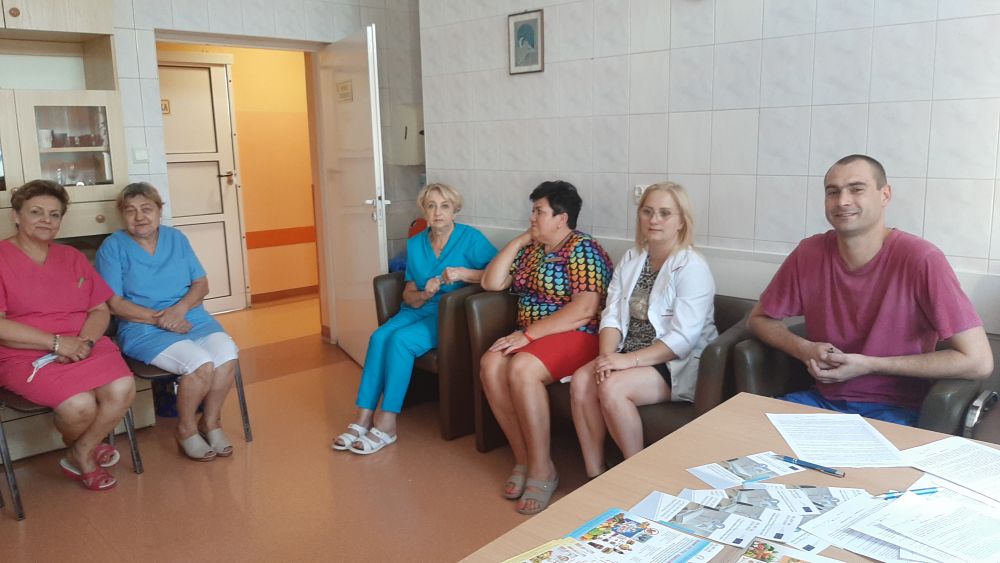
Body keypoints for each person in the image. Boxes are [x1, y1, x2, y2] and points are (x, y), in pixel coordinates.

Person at [747, 154, 993, 424]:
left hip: (898, 410)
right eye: (833, 192)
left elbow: (979, 361)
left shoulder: (922, 259)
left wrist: (869, 365)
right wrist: (804, 349)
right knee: (744, 432)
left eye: (856, 189)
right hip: (820, 401)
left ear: (884, 195)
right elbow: (760, 319)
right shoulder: (808, 253)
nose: (842, 201)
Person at [331, 183, 496, 455]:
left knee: (401, 340)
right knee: (379, 336)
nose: (438, 212)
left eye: (444, 206)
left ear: (455, 210)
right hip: (419, 308)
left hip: (448, 314)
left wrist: (464, 273)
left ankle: (387, 423)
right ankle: (362, 417)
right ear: (424, 212)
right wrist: (423, 294)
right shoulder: (416, 243)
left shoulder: (471, 239)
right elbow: (408, 293)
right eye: (431, 206)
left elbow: (500, 273)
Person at [480, 180, 613, 515]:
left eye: (539, 212)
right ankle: (523, 459)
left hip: (579, 333)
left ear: (561, 218)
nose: (532, 217)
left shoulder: (583, 249)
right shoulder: (533, 251)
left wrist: (527, 336)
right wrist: (522, 240)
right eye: (533, 211)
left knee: (521, 368)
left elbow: (585, 309)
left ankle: (543, 469)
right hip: (535, 337)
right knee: (490, 363)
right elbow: (491, 282)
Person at [570, 183, 716, 478]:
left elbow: (683, 339)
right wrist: (607, 358)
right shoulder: (632, 258)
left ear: (681, 221)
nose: (654, 219)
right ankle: (596, 473)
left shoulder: (692, 266)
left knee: (612, 388)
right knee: (582, 380)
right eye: (647, 212)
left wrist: (627, 361)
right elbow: (612, 314)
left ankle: (635, 474)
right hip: (627, 352)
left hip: (672, 361)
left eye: (664, 213)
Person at [0, 180, 135, 491]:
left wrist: (85, 343)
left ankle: (80, 451)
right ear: (16, 216)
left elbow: (99, 310)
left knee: (122, 387)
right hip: (24, 353)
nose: (46, 220)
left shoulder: (71, 257)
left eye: (54, 214)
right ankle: (86, 453)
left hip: (84, 342)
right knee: (79, 405)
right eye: (36, 212)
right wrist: (57, 343)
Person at [96, 182, 240, 461]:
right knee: (200, 364)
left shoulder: (176, 238)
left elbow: (201, 283)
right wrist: (163, 319)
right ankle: (186, 429)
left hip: (191, 317)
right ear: (122, 215)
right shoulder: (112, 247)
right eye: (130, 210)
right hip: (142, 327)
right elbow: (114, 303)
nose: (139, 217)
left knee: (227, 354)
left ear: (159, 211)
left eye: (146, 209)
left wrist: (180, 310)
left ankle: (211, 422)